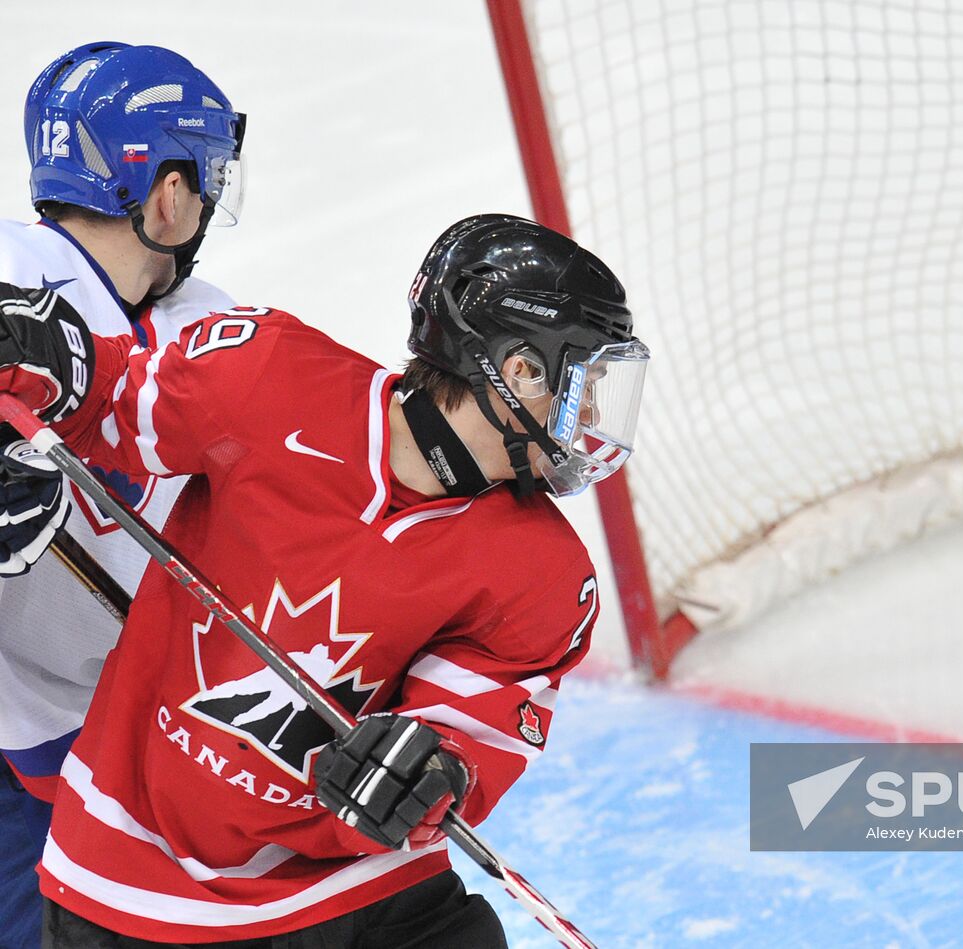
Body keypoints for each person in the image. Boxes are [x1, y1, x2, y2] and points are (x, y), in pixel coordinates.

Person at [0, 213, 649, 946]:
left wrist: (432, 771)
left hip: (349, 889)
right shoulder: (270, 374)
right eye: (581, 382)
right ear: (516, 368)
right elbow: (108, 400)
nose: (591, 419)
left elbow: (470, 729)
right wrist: (34, 360)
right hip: (131, 876)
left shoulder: (545, 575)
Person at [0, 42, 245, 947]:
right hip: (30, 753)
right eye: (207, 173)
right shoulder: (11, 278)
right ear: (167, 191)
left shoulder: (207, 317)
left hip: (145, 743)